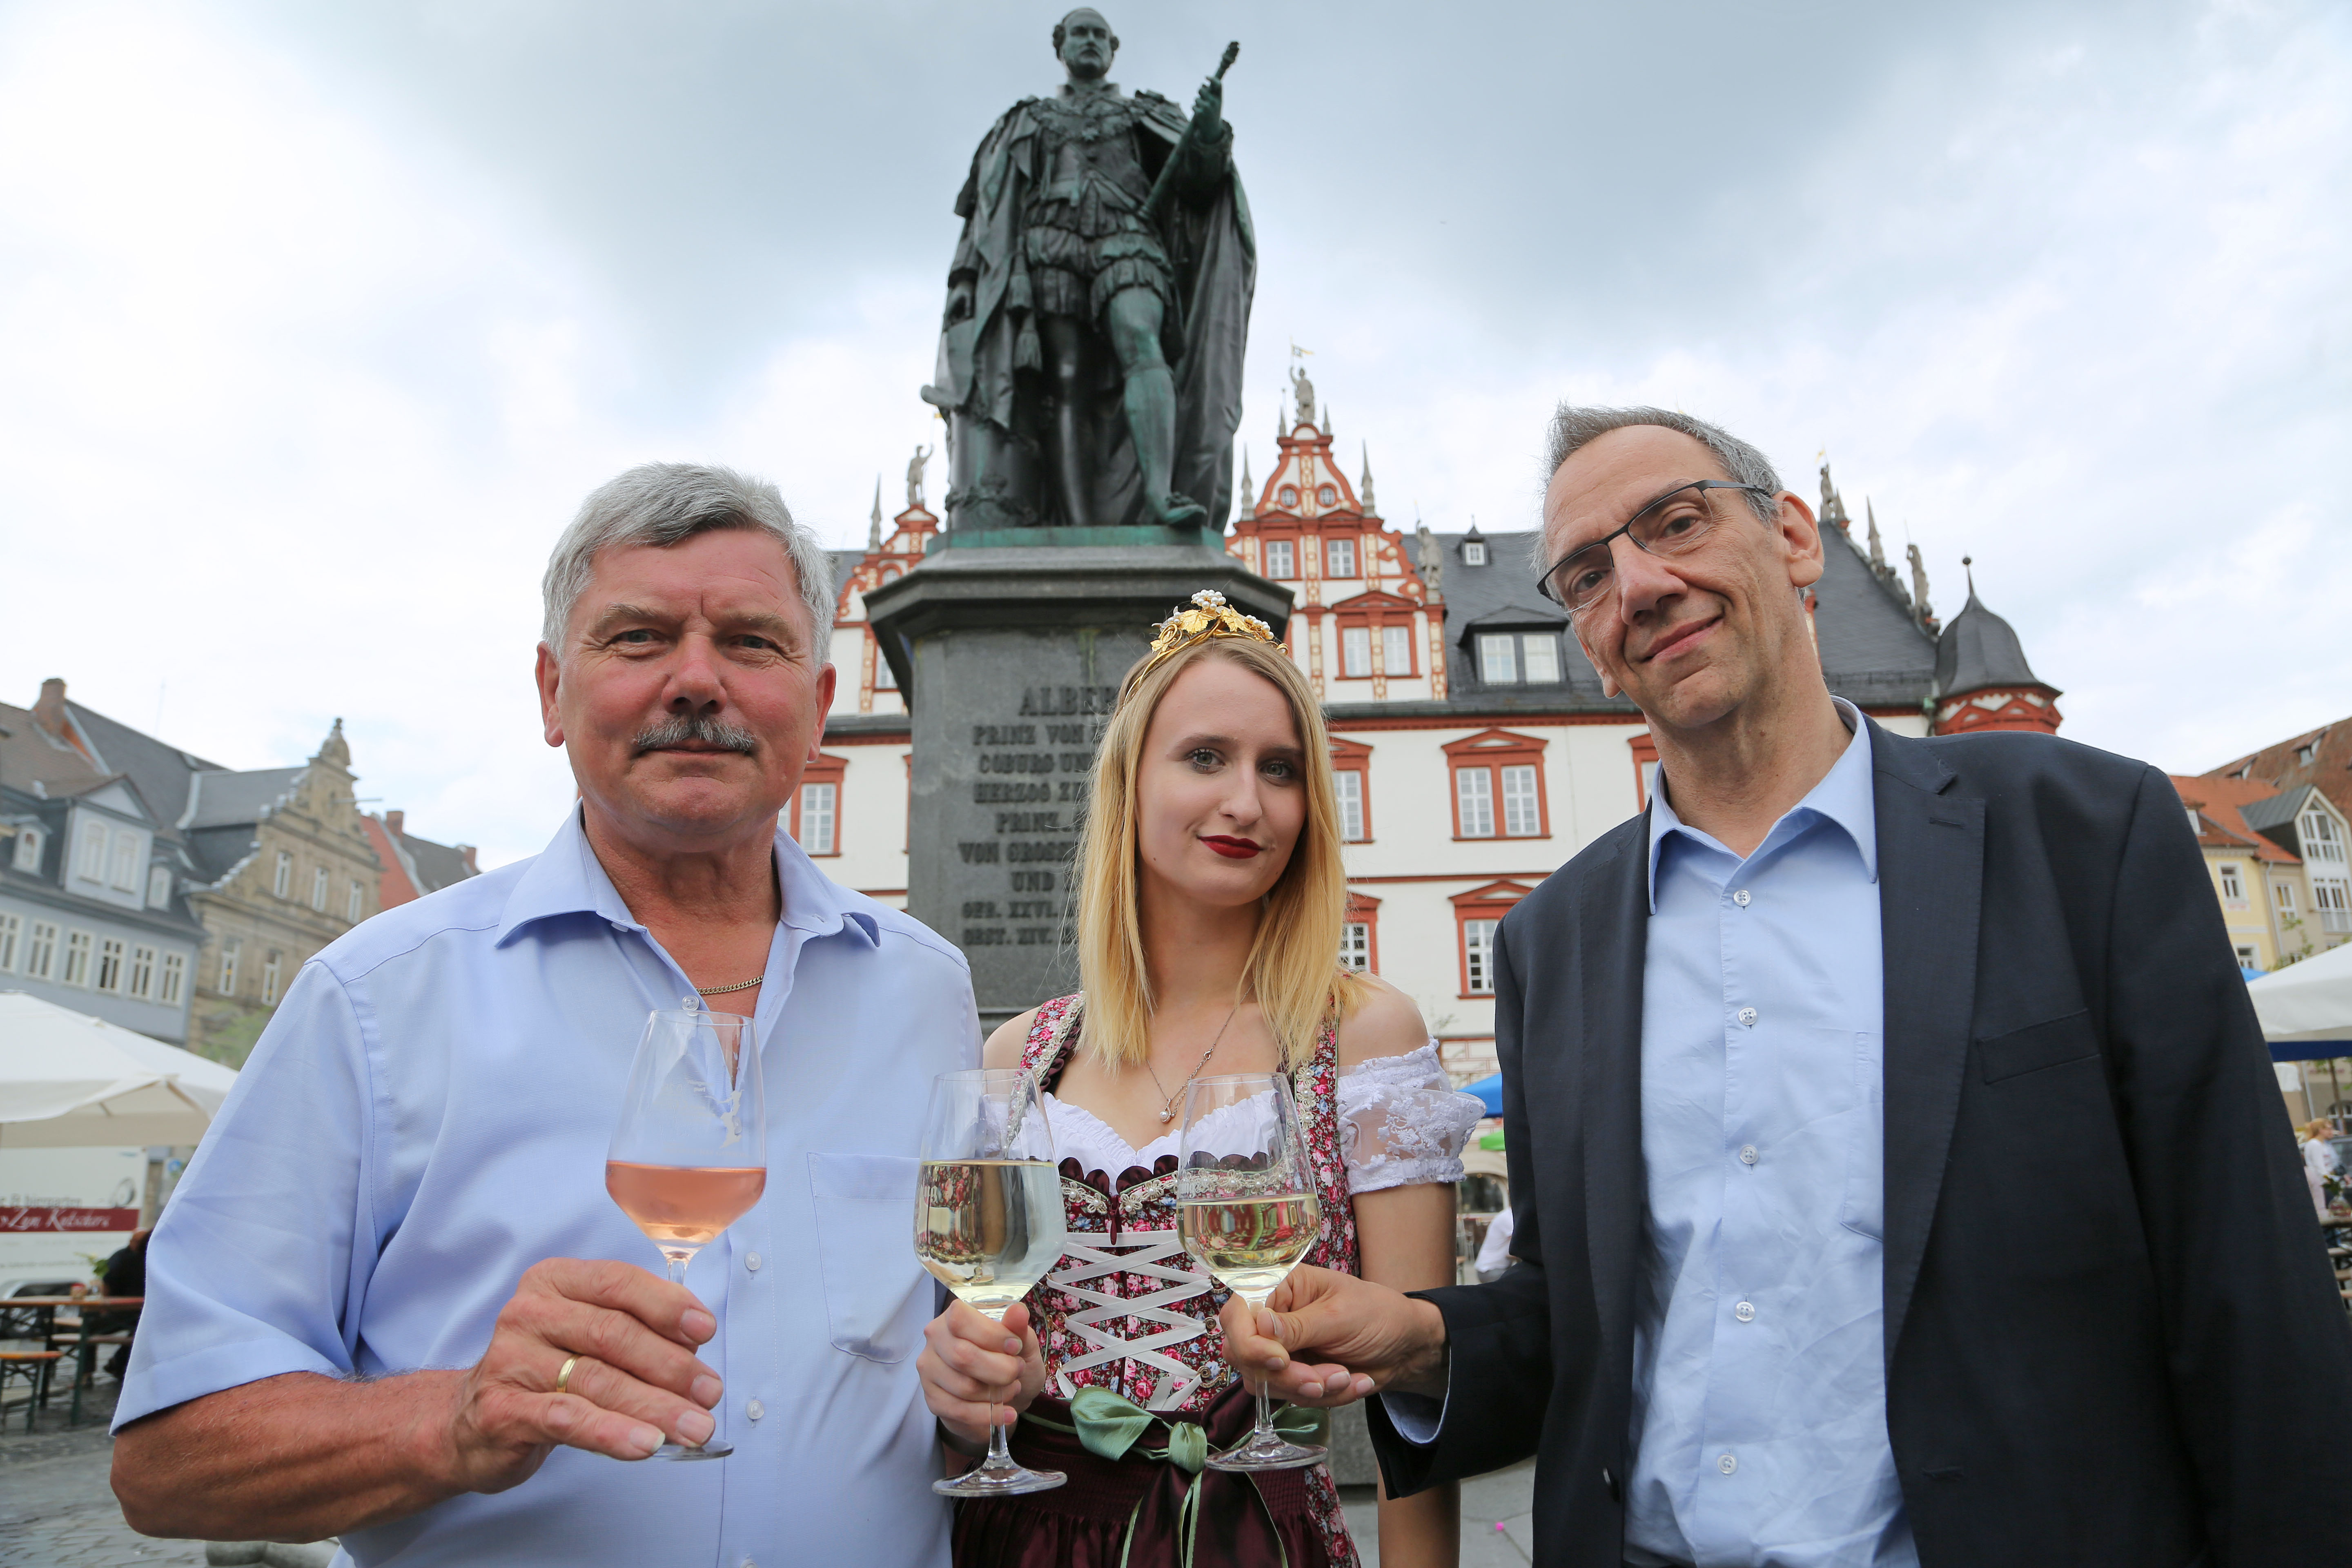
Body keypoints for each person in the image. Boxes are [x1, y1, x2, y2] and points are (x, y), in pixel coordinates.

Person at [1223, 407, 2352, 1567]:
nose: (1642, 584)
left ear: (1797, 540)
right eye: (1586, 574)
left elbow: (2250, 1301)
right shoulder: (1552, 942)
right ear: (1588, 641)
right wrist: (1421, 1340)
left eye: (1677, 521)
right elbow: (1589, 1314)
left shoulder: (2080, 839)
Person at [110, 464, 980, 1564]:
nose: (696, 681)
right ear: (549, 692)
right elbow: (167, 1460)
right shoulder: (377, 999)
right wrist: (455, 1416)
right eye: (637, 637)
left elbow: (960, 1336)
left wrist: (989, 1375)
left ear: (814, 710)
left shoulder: (922, 989)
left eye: (753, 643)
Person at [916, 592, 1482, 1566]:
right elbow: (970, 1381)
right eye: (1204, 756)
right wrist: (968, 1396)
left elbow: (1413, 1398)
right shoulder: (1020, 1054)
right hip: (1026, 1540)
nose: (1245, 803)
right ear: (1129, 782)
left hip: (1257, 1537)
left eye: (1280, 769)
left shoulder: (1359, 1035)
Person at [922, 9, 1253, 531]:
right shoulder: (1029, 119)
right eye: (1080, 33)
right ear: (1061, 46)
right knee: (1068, 382)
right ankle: (1077, 524)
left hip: (1130, 238)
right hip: (1050, 246)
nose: (1090, 42)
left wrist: (1209, 133)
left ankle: (1162, 495)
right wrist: (966, 281)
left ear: (1113, 48)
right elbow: (988, 215)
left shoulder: (1144, 112)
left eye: (1100, 34)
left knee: (1142, 343)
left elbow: (1200, 185)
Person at [99, 1227, 149, 1379]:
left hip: (135, 1313)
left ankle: (118, 1364)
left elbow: (107, 1281)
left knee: (139, 1333)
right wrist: (105, 1306)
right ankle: (88, 1373)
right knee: (88, 1329)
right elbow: (107, 1282)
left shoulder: (131, 1259)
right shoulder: (122, 1257)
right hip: (123, 1311)